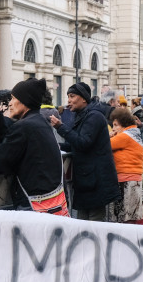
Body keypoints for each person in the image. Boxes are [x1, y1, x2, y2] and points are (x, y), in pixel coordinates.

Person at [0, 78, 67, 215]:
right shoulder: (42, 121)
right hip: (53, 200)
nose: (10, 103)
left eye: (13, 98)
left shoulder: (23, 127)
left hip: (32, 204)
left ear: (24, 101)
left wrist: (5, 121)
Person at [48, 83, 120, 220]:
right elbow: (75, 144)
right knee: (82, 224)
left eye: (72, 96)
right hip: (86, 181)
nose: (69, 100)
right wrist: (57, 146)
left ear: (84, 99)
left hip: (96, 181)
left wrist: (60, 127)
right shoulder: (82, 115)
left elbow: (83, 143)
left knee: (94, 226)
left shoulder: (94, 116)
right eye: (68, 96)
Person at [107, 107, 143, 224]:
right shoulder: (133, 134)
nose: (113, 128)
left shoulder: (125, 136)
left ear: (124, 124)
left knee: (125, 219)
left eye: (115, 125)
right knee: (129, 218)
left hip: (126, 180)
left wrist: (109, 135)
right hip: (132, 180)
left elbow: (105, 144)